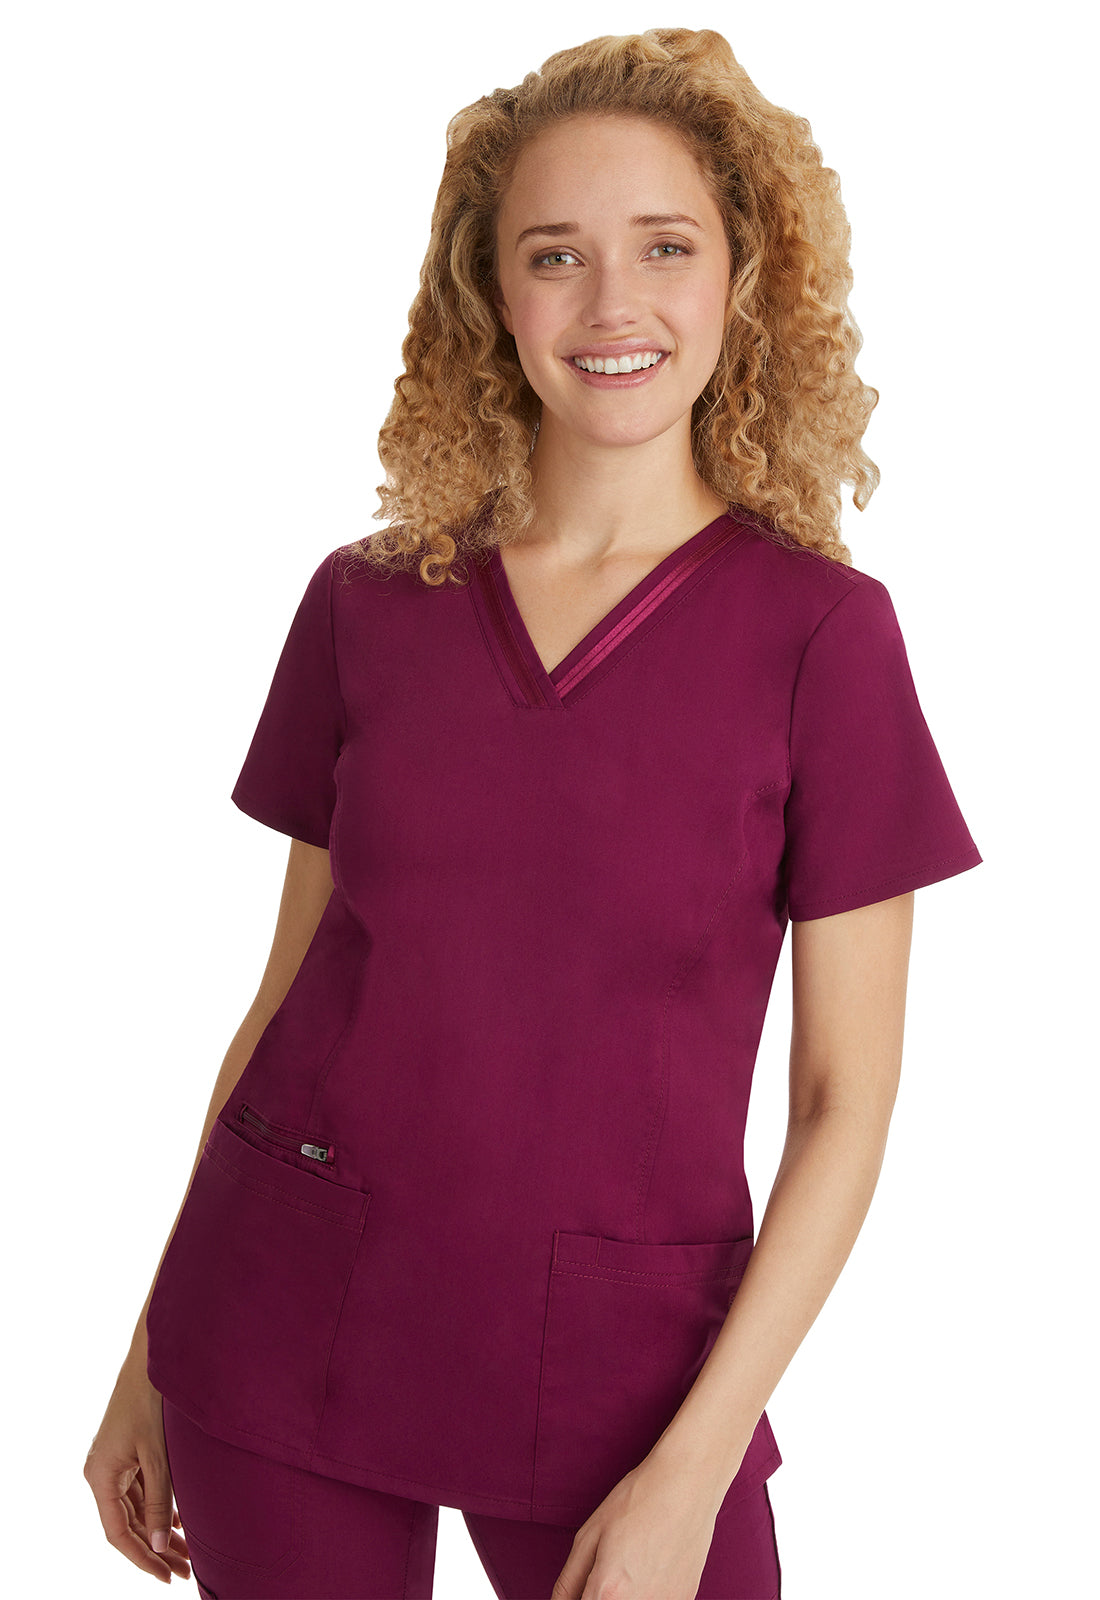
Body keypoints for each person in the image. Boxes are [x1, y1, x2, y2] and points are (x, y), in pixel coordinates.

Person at [83, 26, 983, 1600]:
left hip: (629, 1381)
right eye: (555, 254)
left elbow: (844, 1102)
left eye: (665, 247)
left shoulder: (824, 638)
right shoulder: (367, 603)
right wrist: (151, 1351)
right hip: (280, 1323)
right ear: (492, 296)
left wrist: (694, 1470)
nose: (612, 302)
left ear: (742, 278)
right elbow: (285, 1003)